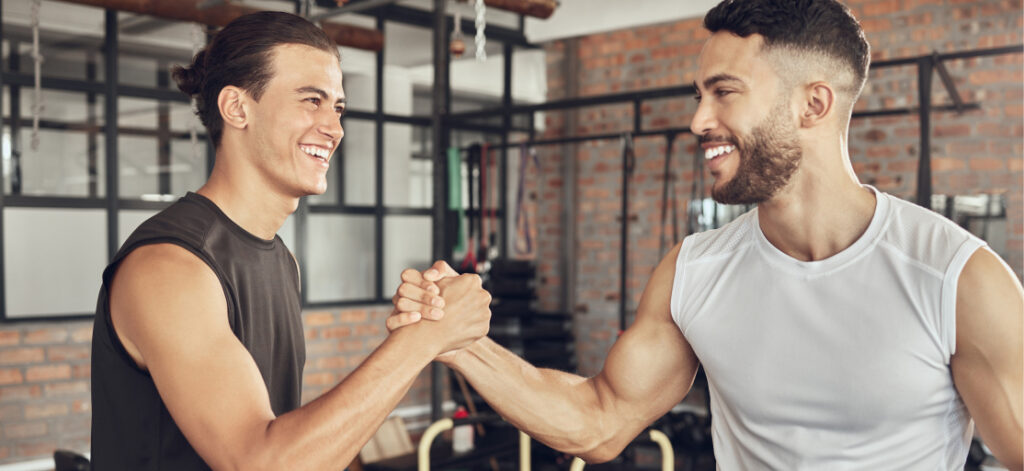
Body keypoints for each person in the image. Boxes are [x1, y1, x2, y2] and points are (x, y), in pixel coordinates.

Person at [389, 0, 1024, 468]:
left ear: (814, 104)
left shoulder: (957, 279)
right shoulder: (695, 270)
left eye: (725, 93)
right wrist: (456, 342)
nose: (698, 120)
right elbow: (599, 422)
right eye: (700, 94)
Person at [90, 11, 491, 471]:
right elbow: (258, 462)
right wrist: (423, 340)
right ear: (237, 108)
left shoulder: (281, 259)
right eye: (311, 100)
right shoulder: (170, 267)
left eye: (337, 107)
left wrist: (429, 329)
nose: (334, 128)